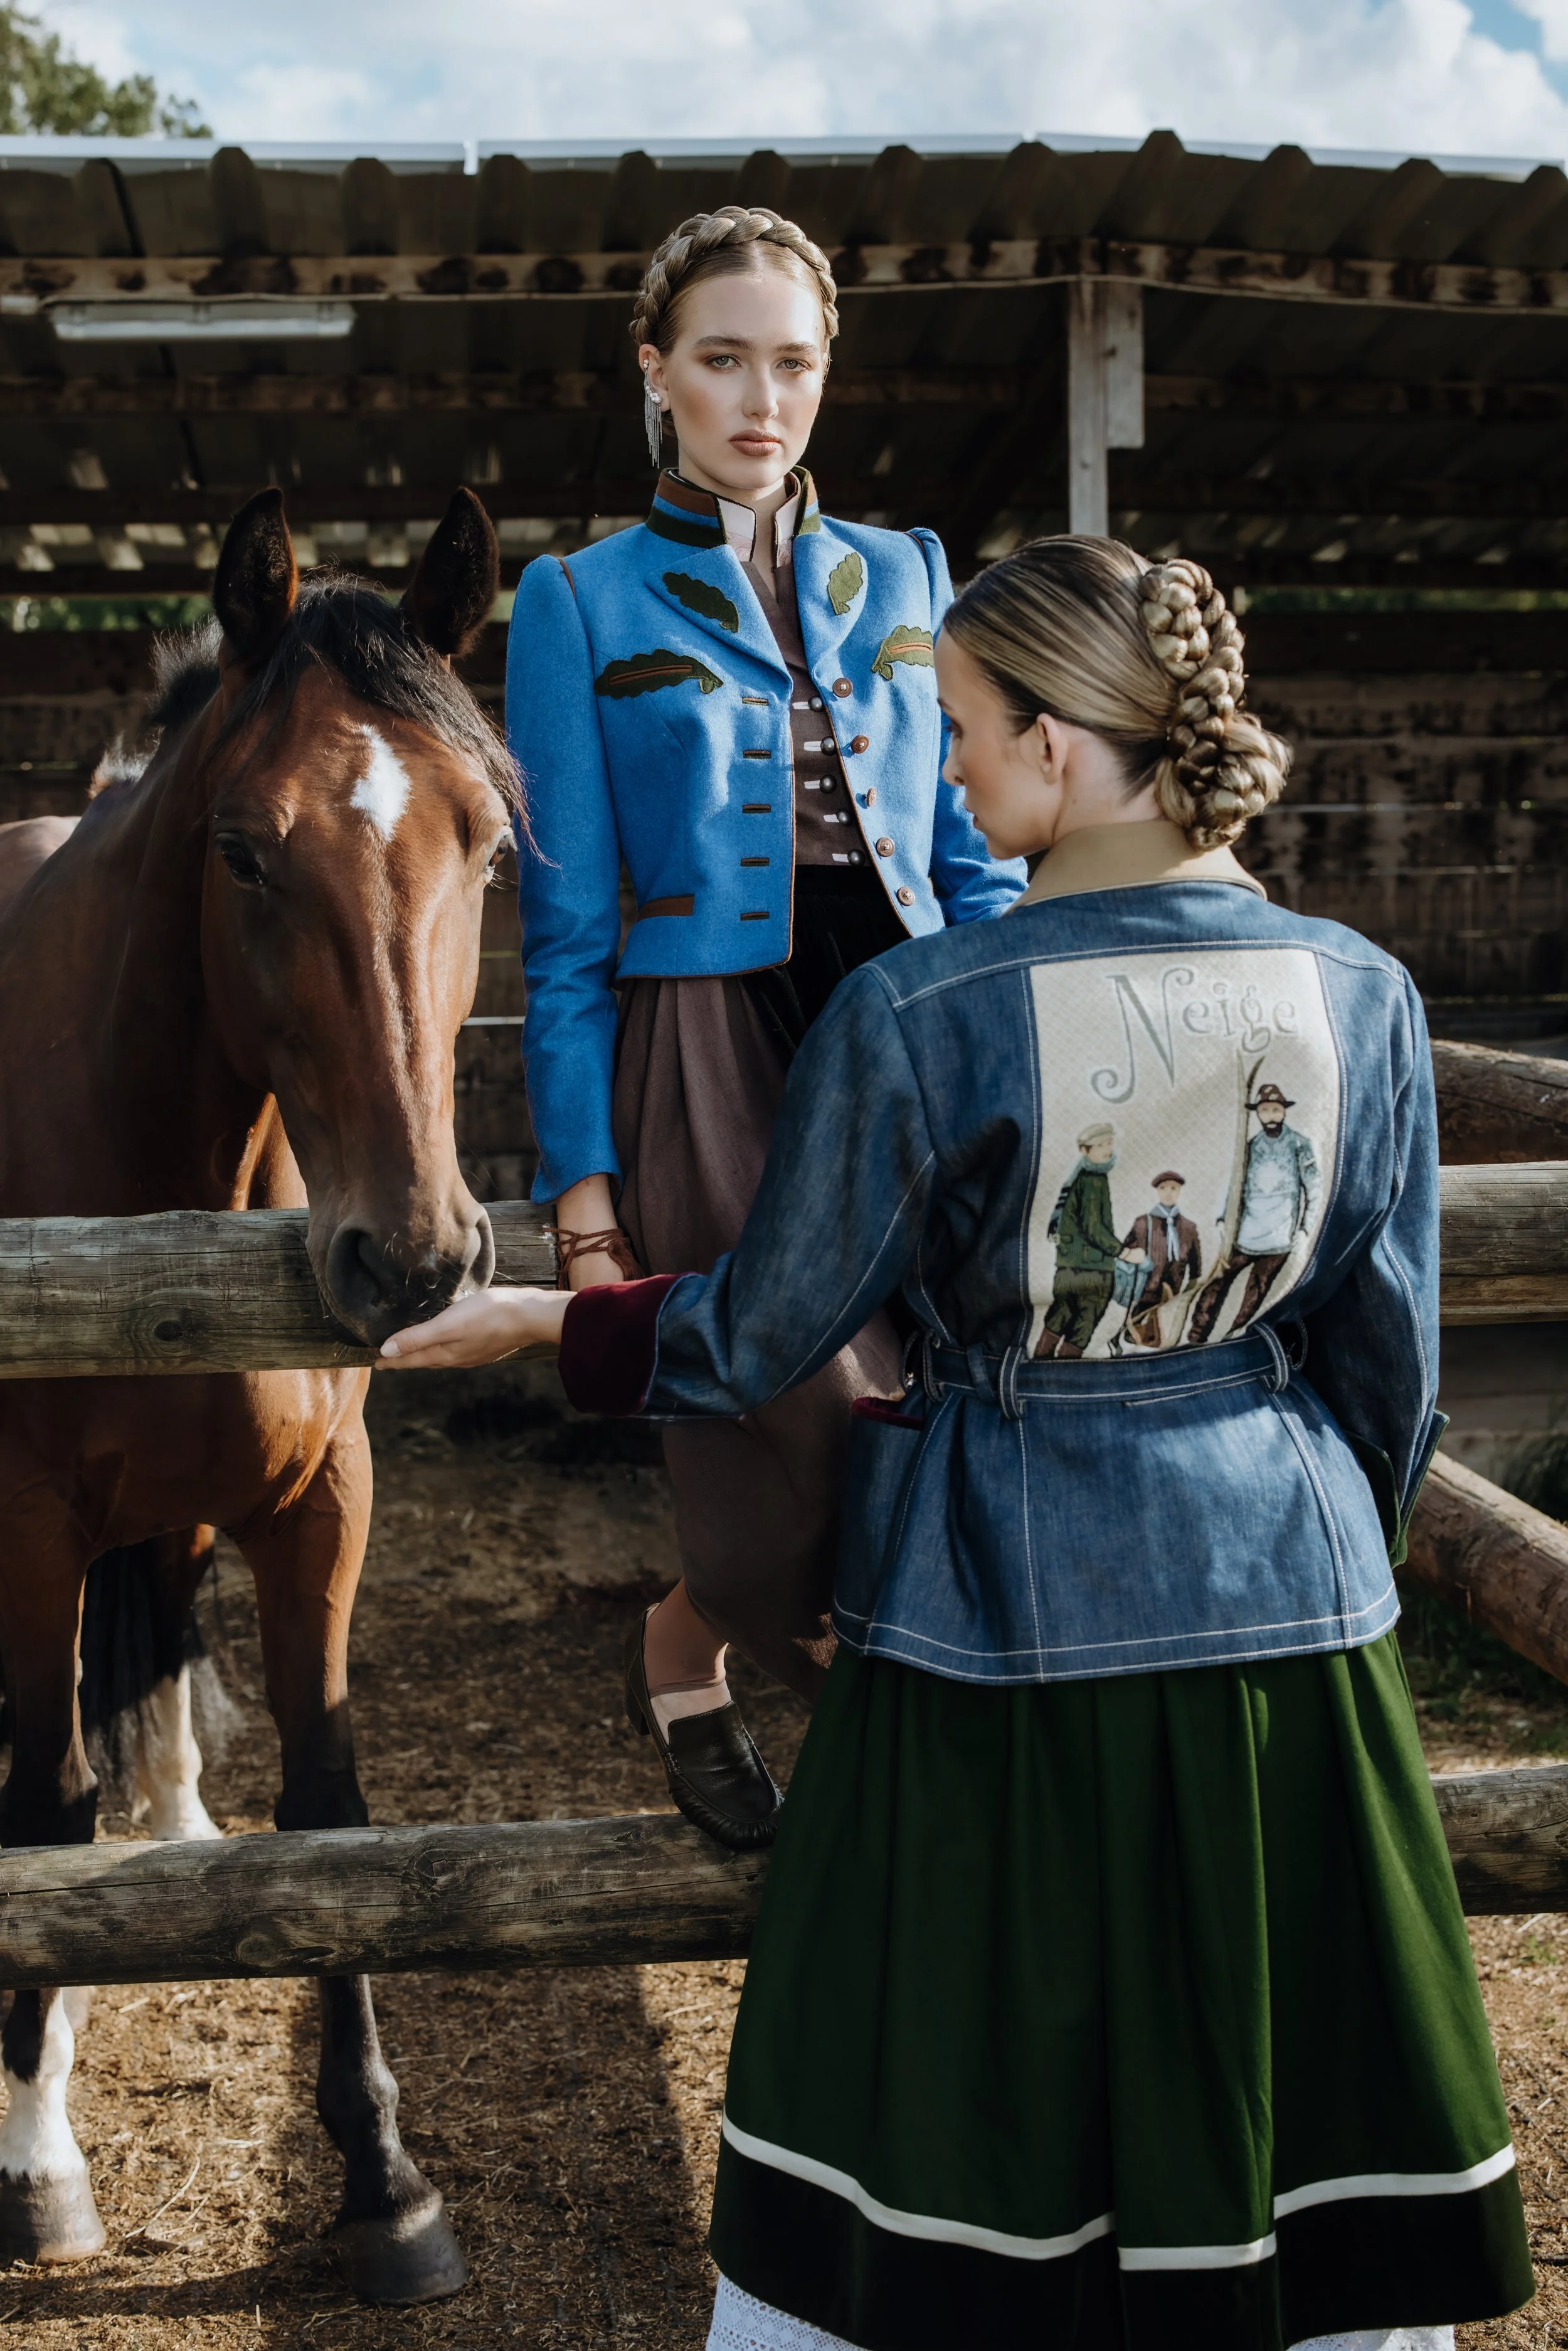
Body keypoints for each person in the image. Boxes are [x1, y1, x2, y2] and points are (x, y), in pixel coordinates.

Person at [386, 539, 1531, 2351]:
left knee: (924, 2093)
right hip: (1288, 1635)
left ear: (1065, 751)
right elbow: (1382, 1375)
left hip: (995, 1615)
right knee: (1280, 2098)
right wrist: (1306, 1548)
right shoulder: (1359, 992)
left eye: (967, 728)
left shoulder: (924, 1009)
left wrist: (559, 1318)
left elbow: (767, 1326)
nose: (950, 766)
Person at [504, 203, 1022, 1851]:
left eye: (790, 363)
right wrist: (579, 1182)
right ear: (654, 370)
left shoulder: (911, 570)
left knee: (932, 1392)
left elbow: (966, 859)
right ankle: (699, 1626)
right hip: (703, 1041)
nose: (759, 399)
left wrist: (1022, 1031)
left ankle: (787, 1702)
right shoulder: (574, 601)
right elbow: (567, 924)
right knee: (780, 1401)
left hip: (910, 1022)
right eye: (721, 359)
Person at [1187, 1079, 1322, 1344]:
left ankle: (1233, 1336)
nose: (1270, 1116)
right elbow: (1233, 1184)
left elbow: (1314, 1187)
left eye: (1275, 1110)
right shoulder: (1250, 1147)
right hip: (1247, 1231)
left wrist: (1306, 1228)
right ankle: (1198, 1332)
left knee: (1257, 1291)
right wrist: (1221, 1217)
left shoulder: (1299, 1145)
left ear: (1283, 1111)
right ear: (1258, 1113)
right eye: (1264, 1110)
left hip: (1281, 1234)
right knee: (1218, 1281)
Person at [1122, 1169, 1202, 1349]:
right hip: (1149, 1282)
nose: (1168, 1193)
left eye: (1174, 1188)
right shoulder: (1143, 1223)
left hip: (1174, 1284)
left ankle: (1157, 1341)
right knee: (1139, 1315)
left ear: (1180, 1191)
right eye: (1163, 1188)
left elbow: (1195, 1257)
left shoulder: (1189, 1227)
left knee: (1163, 1320)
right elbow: (1125, 1248)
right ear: (1158, 1191)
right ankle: (1129, 1337)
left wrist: (1194, 1279)